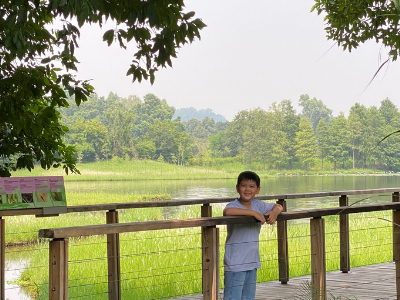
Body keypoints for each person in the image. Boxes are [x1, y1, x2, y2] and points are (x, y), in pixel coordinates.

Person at [223, 171, 283, 300]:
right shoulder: (234, 205)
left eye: (251, 186)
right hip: (235, 262)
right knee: (232, 297)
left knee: (249, 297)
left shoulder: (258, 204)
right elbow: (227, 211)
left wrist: (275, 213)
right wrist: (253, 213)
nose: (247, 189)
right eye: (243, 185)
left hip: (252, 260)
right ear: (237, 188)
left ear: (257, 189)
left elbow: (278, 206)